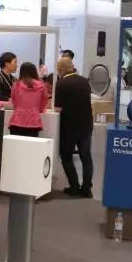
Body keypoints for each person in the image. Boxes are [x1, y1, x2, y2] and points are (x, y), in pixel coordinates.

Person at [54, 56, 93, 197]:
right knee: (86, 157)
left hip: (69, 127)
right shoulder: (84, 81)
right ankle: (87, 188)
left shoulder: (61, 84)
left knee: (66, 157)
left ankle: (74, 186)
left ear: (61, 69)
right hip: (86, 125)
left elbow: (58, 108)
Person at [9, 62, 49, 136]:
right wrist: (36, 110)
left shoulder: (16, 85)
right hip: (34, 122)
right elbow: (43, 104)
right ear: (34, 71)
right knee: (31, 144)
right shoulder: (42, 86)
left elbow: (14, 103)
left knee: (15, 143)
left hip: (16, 121)